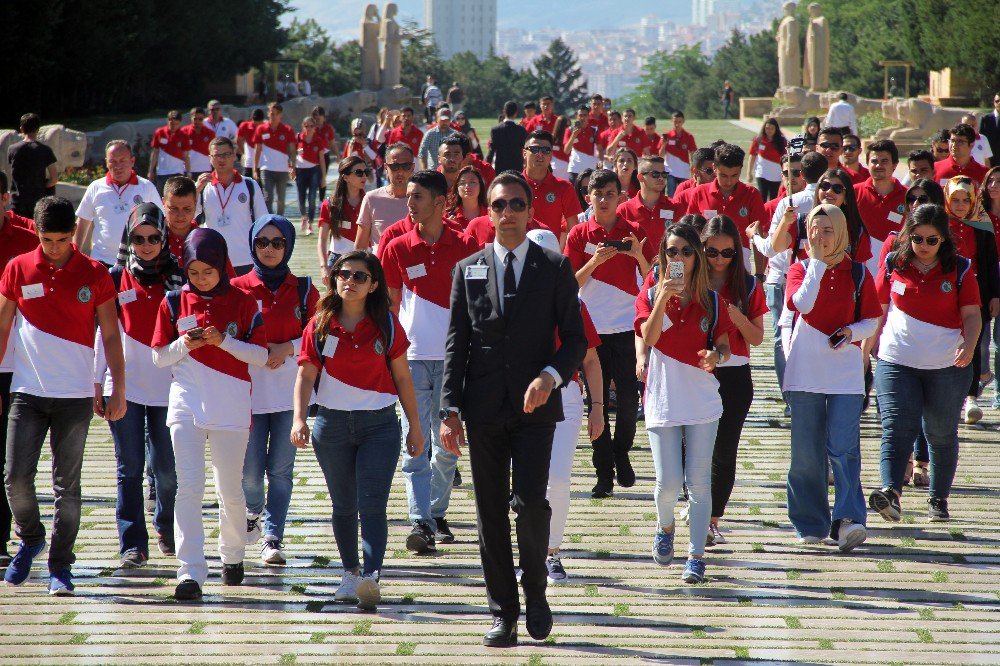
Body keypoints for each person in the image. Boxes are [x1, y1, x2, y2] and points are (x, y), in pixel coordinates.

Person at [440, 171, 587, 647]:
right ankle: (503, 610)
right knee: (488, 513)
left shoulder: (554, 265)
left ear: (529, 211)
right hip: (483, 410)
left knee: (529, 505)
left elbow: (576, 340)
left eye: (517, 205)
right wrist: (449, 410)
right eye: (499, 205)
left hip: (535, 409)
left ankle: (536, 592)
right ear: (488, 211)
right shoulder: (469, 268)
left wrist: (550, 375)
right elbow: (456, 344)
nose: (508, 213)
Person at [0, 196, 125, 594]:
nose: (53, 248)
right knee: (15, 478)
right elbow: (2, 327)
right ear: (36, 233)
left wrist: (116, 387)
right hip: (27, 391)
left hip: (73, 396)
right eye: (46, 239)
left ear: (74, 233)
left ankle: (60, 565)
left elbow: (110, 335)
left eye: (61, 239)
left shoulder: (94, 272)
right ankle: (32, 537)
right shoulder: (18, 268)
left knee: (66, 487)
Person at [292, 251, 422, 611]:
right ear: (334, 279)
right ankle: (350, 573)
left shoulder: (387, 324)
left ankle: (372, 576)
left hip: (379, 425)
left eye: (359, 276)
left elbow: (402, 377)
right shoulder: (319, 324)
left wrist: (415, 426)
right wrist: (299, 419)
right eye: (343, 274)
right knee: (344, 505)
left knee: (372, 504)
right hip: (331, 425)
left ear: (374, 284)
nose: (349, 280)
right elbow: (305, 375)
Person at [150, 227, 268, 601]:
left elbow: (262, 356)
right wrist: (184, 342)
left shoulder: (246, 301)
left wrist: (225, 341)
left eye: (208, 271)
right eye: (194, 271)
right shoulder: (172, 302)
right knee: (189, 485)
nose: (200, 279)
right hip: (185, 402)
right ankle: (190, 571)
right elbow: (158, 357)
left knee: (229, 491)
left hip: (232, 404)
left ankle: (232, 554)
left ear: (222, 266)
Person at [380, 170, 479, 554]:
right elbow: (390, 305)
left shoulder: (466, 245)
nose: (409, 202)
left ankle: (436, 511)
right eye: (409, 195)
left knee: (447, 444)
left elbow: (477, 301)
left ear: (441, 202)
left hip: (457, 361)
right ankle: (421, 521)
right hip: (413, 360)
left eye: (418, 196)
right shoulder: (397, 246)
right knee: (416, 443)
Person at [868, 203, 980, 524]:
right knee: (896, 426)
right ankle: (891, 492)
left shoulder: (959, 268)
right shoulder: (894, 262)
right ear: (909, 237)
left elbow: (972, 314)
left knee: (940, 433)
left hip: (948, 365)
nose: (925, 246)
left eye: (933, 240)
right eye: (918, 239)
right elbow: (878, 305)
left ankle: (938, 498)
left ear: (944, 239)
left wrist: (970, 346)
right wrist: (867, 347)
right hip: (896, 360)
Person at [635, 222, 734, 583]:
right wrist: (662, 295)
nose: (678, 257)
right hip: (662, 395)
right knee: (668, 482)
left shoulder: (711, 298)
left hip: (702, 399)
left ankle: (696, 556)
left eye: (686, 252)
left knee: (699, 481)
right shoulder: (650, 290)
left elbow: (724, 343)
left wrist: (717, 357)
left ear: (697, 257)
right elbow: (648, 335)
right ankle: (664, 528)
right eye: (671, 251)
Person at [783, 204, 882, 552]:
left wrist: (852, 333)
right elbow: (804, 305)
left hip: (845, 374)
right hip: (805, 371)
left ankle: (848, 520)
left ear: (840, 232)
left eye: (828, 231)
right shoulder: (798, 268)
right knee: (806, 453)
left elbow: (872, 318)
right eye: (814, 229)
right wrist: (816, 264)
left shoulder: (858, 273)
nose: (820, 237)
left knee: (843, 448)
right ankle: (810, 521)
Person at [98, 203, 184, 568]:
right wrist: (99, 385)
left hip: (170, 387)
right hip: (126, 386)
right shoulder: (115, 278)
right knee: (129, 466)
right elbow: (101, 335)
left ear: (164, 237)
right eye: (139, 238)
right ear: (129, 240)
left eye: (153, 237)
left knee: (166, 468)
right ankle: (133, 540)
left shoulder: (181, 278)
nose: (146, 244)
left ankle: (165, 523)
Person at [232, 215, 319, 565]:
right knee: (250, 473)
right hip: (248, 396)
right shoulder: (236, 287)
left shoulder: (303, 289)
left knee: (281, 471)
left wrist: (288, 347)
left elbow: (319, 336)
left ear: (289, 246)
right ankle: (254, 510)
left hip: (290, 394)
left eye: (278, 242)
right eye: (262, 242)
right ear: (252, 244)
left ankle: (272, 536)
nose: (269, 249)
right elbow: (226, 338)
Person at [520, 228, 603, 583]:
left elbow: (591, 361)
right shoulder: (504, 296)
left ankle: (551, 552)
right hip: (517, 398)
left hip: (566, 397)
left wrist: (597, 407)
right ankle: (527, 554)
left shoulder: (574, 302)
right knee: (524, 483)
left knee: (557, 478)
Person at [566, 169, 653, 498]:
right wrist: (594, 261)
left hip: (628, 328)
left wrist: (638, 255)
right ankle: (602, 471)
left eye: (610, 194)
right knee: (596, 402)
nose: (603, 200)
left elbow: (651, 280)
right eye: (597, 194)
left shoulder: (634, 230)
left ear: (621, 197)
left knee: (631, 399)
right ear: (587, 198)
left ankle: (622, 452)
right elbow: (568, 284)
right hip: (590, 330)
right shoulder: (578, 234)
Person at [702, 216, 766, 545]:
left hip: (736, 371)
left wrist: (735, 315)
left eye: (727, 253)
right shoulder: (690, 277)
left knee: (724, 450)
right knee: (692, 446)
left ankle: (712, 519)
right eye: (711, 251)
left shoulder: (748, 282)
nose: (718, 259)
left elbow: (757, 338)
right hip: (696, 370)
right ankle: (694, 505)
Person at [0, 176, 39, 567]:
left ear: (6, 198)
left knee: (16, 458)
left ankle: (18, 522)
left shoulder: (31, 237)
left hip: (23, 363)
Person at [943, 176, 1000, 424]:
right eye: (955, 199)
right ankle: (946, 395)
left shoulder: (982, 226)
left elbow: (990, 264)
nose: (960, 205)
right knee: (947, 342)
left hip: (976, 291)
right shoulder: (940, 225)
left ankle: (971, 397)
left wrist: (995, 295)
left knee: (975, 344)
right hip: (945, 292)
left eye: (966, 200)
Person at [74, 140, 163, 267]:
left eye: (123, 160)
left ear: (132, 161)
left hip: (137, 262)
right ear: (106, 162)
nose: (118, 166)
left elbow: (161, 222)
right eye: (113, 161)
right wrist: (75, 254)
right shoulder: (96, 187)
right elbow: (82, 223)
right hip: (101, 261)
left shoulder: (146, 187)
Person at [685, 143, 767, 273]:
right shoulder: (699, 193)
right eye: (723, 175)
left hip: (740, 261)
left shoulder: (752, 194)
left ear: (741, 170)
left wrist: (760, 274)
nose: (729, 182)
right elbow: (690, 233)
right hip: (705, 262)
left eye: (734, 175)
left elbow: (759, 236)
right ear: (714, 168)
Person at [194, 137, 267, 275]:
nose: (222, 159)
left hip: (247, 258)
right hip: (214, 259)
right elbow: (189, 217)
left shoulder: (249, 184)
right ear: (210, 158)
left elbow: (263, 222)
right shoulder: (202, 187)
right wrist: (196, 190)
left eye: (226, 154)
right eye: (217, 155)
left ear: (234, 155)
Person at [854, 139, 907, 275]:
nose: (878, 165)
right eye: (874, 161)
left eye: (884, 161)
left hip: (896, 267)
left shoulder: (909, 196)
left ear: (894, 165)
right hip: (861, 269)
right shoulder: (854, 192)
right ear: (867, 164)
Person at [523, 130, 583, 245]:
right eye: (535, 149)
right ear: (524, 153)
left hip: (551, 256)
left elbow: (573, 229)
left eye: (545, 150)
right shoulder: (513, 186)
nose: (540, 154)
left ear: (551, 155)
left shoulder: (564, 187)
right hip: (517, 254)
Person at [617, 155, 686, 252]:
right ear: (640, 177)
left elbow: (683, 246)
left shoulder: (676, 207)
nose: (661, 178)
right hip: (636, 266)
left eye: (664, 174)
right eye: (655, 174)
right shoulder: (624, 210)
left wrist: (675, 267)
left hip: (669, 266)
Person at [354, 143, 414, 251]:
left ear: (412, 167)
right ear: (386, 167)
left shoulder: (423, 199)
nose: (400, 171)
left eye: (405, 166)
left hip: (414, 265)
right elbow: (360, 247)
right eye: (395, 166)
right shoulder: (371, 198)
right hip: (380, 266)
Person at [319, 156, 369, 275]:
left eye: (366, 172)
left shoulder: (370, 201)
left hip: (364, 259)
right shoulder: (330, 204)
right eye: (359, 173)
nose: (364, 176)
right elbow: (322, 239)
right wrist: (324, 266)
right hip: (337, 258)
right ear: (346, 177)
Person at [6, 113, 58, 217]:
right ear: (38, 129)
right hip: (38, 201)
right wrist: (42, 186)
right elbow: (54, 179)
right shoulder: (45, 150)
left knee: (19, 230)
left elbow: (10, 173)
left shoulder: (12, 149)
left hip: (18, 200)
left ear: (21, 129)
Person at [252, 103, 297, 216]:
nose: (273, 116)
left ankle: (280, 220)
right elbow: (257, 150)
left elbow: (292, 151)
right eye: (271, 113)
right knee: (268, 197)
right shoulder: (261, 129)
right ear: (268, 113)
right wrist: (254, 169)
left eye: (276, 114)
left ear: (280, 115)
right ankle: (269, 220)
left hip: (282, 170)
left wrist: (293, 167)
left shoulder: (287, 130)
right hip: (266, 169)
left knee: (281, 199)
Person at [295, 116, 329, 237]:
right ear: (302, 127)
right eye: (306, 126)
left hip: (314, 170)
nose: (308, 128)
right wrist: (291, 169)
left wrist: (324, 177)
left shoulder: (318, 140)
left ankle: (310, 223)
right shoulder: (298, 138)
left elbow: (322, 159)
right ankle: (303, 216)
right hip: (300, 170)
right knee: (301, 196)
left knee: (312, 196)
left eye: (311, 126)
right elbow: (292, 155)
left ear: (315, 127)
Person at [148, 110, 192, 195]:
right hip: (162, 172)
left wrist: (189, 172)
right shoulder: (160, 132)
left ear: (180, 123)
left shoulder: (184, 135)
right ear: (167, 121)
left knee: (177, 196)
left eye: (176, 124)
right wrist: (150, 170)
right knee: (161, 197)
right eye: (171, 123)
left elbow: (186, 156)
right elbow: (155, 152)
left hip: (177, 172)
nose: (173, 126)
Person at [747, 118, 787, 201]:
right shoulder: (758, 140)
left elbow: (785, 159)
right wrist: (749, 173)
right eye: (767, 128)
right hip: (761, 173)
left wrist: (786, 173)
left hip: (776, 175)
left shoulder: (782, 141)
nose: (769, 130)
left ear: (776, 129)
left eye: (772, 128)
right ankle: (762, 213)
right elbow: (752, 156)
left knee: (773, 198)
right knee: (762, 196)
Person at [661, 111, 697, 197]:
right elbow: (660, 155)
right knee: (671, 193)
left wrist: (693, 165)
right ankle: (670, 210)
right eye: (675, 122)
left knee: (684, 194)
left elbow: (693, 152)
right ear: (671, 121)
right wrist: (664, 144)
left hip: (683, 170)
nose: (677, 124)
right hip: (669, 170)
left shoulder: (688, 136)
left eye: (679, 122)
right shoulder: (667, 136)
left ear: (683, 121)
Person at [487, 101, 528, 174]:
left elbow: (491, 151)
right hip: (517, 168)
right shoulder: (521, 130)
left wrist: (486, 168)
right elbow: (526, 149)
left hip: (501, 168)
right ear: (516, 113)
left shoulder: (495, 130)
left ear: (504, 112)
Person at [564, 106, 600, 182]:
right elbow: (566, 151)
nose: (582, 118)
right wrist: (574, 135)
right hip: (575, 169)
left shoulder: (594, 130)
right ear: (576, 116)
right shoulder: (570, 130)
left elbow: (599, 149)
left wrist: (600, 160)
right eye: (580, 115)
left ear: (588, 116)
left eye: (585, 115)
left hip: (591, 170)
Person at [181, 108, 215, 183]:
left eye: (200, 119)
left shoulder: (210, 133)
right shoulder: (183, 132)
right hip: (187, 171)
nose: (197, 121)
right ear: (191, 117)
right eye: (195, 119)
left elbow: (213, 152)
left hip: (205, 170)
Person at [313, 107, 338, 200]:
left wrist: (337, 155)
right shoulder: (312, 127)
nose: (317, 118)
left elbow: (332, 142)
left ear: (324, 117)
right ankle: (312, 197)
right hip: (313, 155)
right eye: (315, 116)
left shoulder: (328, 128)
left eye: (319, 115)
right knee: (313, 178)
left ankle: (321, 199)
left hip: (325, 155)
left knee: (322, 177)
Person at [236, 108, 265, 178]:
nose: (257, 123)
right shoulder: (244, 126)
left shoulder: (266, 128)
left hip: (263, 163)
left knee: (261, 186)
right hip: (249, 162)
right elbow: (238, 140)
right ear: (251, 118)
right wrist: (243, 152)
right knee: (247, 183)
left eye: (259, 121)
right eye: (255, 120)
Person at [979, 93, 1000, 163]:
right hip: (990, 159)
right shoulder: (985, 119)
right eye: (997, 101)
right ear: (994, 102)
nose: (999, 103)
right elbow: (981, 138)